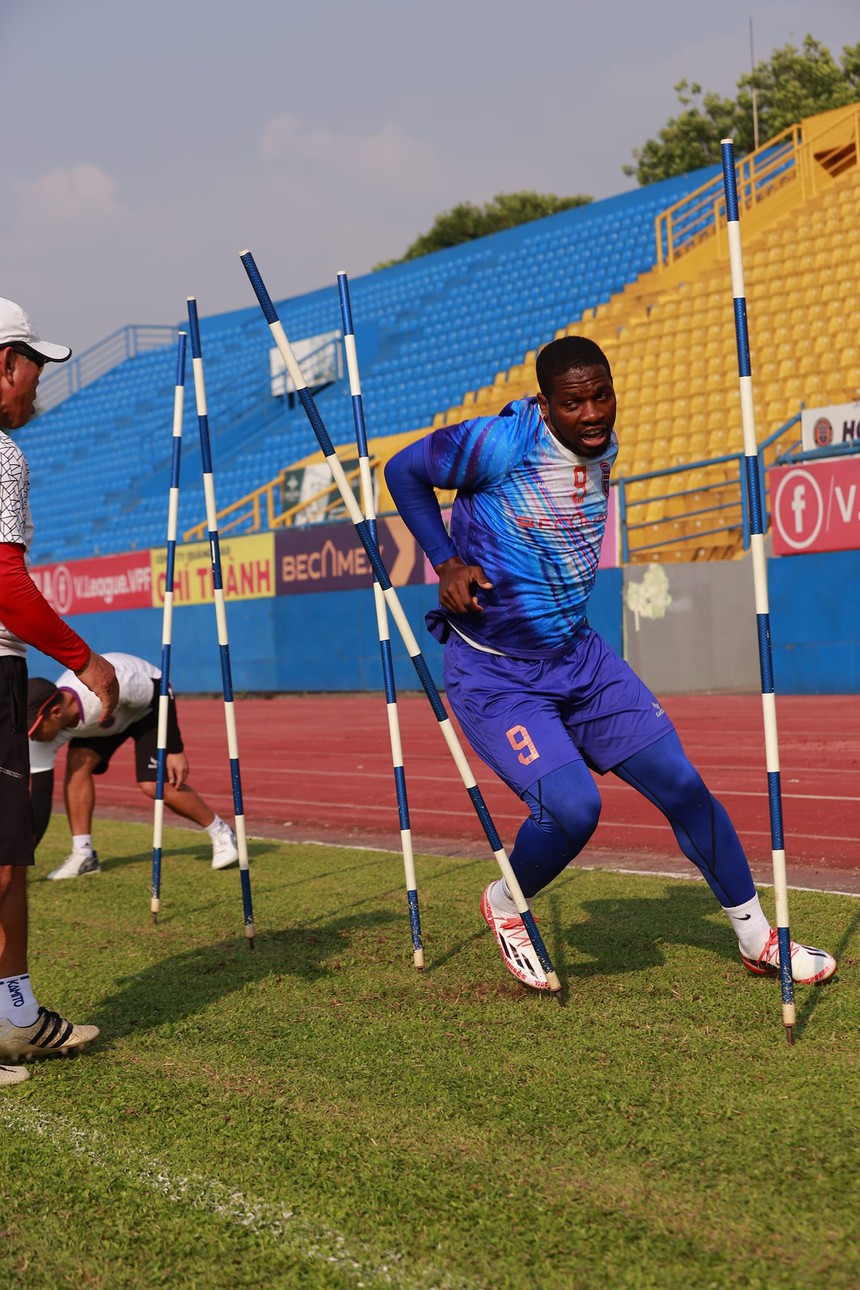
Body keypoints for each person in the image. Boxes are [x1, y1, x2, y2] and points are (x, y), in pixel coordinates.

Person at [384, 335, 837, 993]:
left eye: (602, 395)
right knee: (573, 809)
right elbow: (402, 471)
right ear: (546, 405)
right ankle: (506, 904)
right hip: (499, 674)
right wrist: (446, 560)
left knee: (683, 787)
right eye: (574, 403)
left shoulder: (603, 446)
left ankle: (757, 938)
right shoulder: (501, 442)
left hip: (582, 660)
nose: (593, 413)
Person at [0, 297, 120, 1088]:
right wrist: (88, 662)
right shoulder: (2, 455)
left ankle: (16, 1018)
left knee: (7, 856)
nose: (38, 383)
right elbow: (4, 581)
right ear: (2, 363)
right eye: (32, 367)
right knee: (3, 861)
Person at [28, 652, 239, 878]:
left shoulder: (111, 685)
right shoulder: (41, 737)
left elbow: (161, 691)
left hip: (148, 710)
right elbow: (39, 802)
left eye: (34, 728)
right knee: (78, 765)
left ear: (56, 712)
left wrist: (174, 749)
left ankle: (222, 832)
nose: (32, 736)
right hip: (106, 721)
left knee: (153, 784)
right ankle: (84, 856)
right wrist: (19, 861)